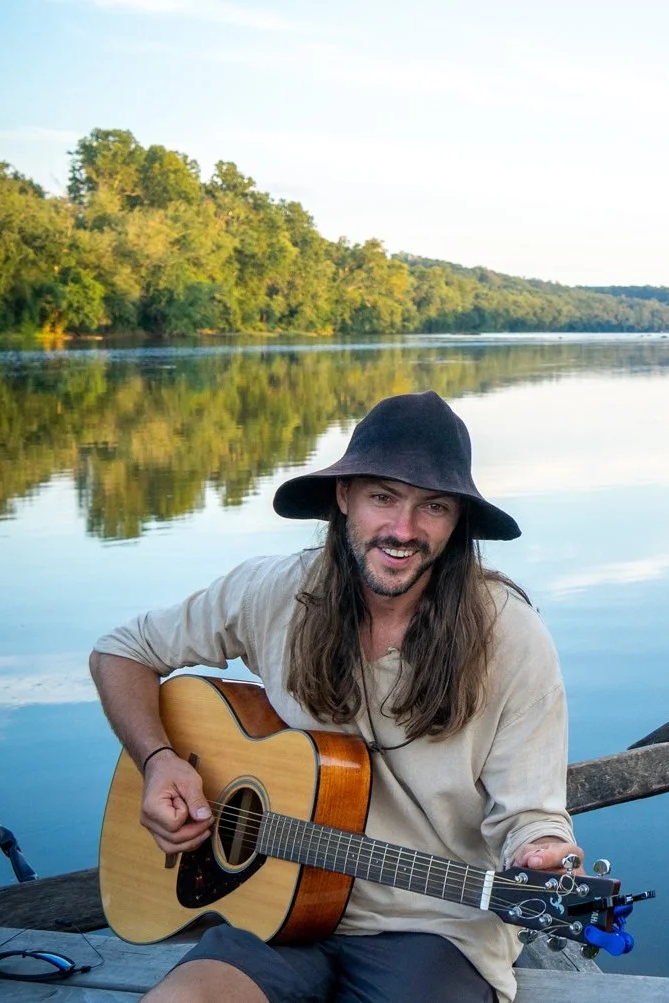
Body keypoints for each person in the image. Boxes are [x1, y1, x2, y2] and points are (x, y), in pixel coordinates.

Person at [89, 390, 581, 1003]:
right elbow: (121, 651)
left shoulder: (508, 634)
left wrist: (544, 854)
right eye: (383, 497)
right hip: (271, 911)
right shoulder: (276, 591)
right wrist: (158, 759)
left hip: (434, 930)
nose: (403, 530)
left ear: (458, 523)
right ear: (343, 497)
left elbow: (530, 813)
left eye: (433, 506)